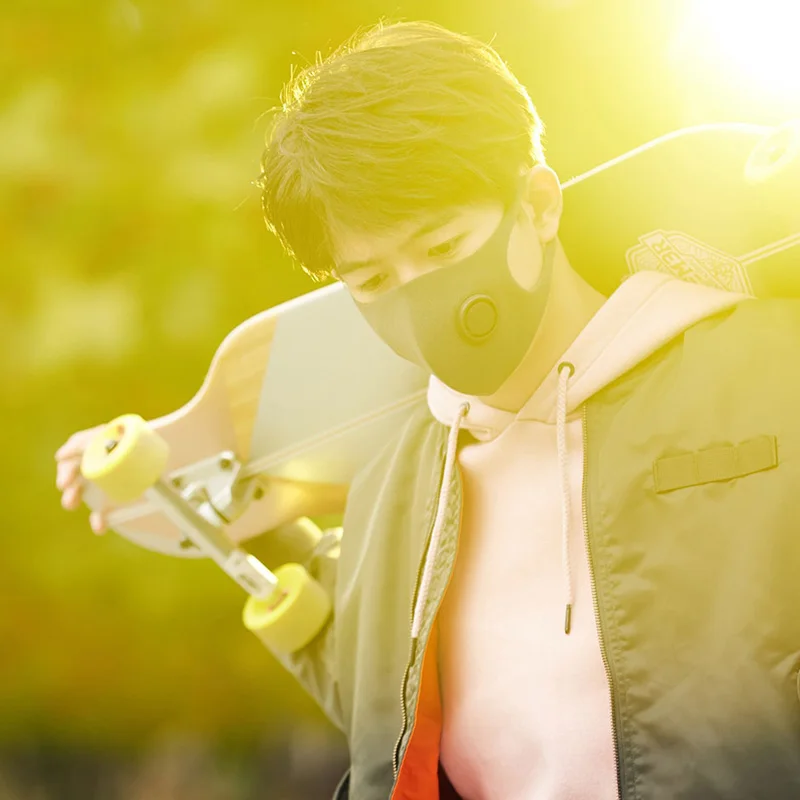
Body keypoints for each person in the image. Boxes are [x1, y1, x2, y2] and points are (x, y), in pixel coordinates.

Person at [56, 20, 800, 800]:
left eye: (443, 247)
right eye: (374, 282)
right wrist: (171, 489)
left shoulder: (768, 378)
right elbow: (387, 724)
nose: (419, 300)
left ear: (538, 206)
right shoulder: (399, 488)